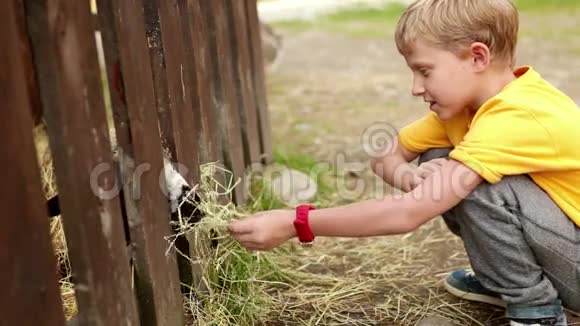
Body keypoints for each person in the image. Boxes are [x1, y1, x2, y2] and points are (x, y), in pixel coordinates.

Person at [227, 1, 580, 325]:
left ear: (477, 58)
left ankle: (537, 309)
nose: (415, 87)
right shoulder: (470, 107)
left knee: (474, 183)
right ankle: (505, 279)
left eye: (424, 71)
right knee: (441, 161)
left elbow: (406, 215)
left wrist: (296, 222)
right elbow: (386, 155)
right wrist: (413, 178)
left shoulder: (516, 117)